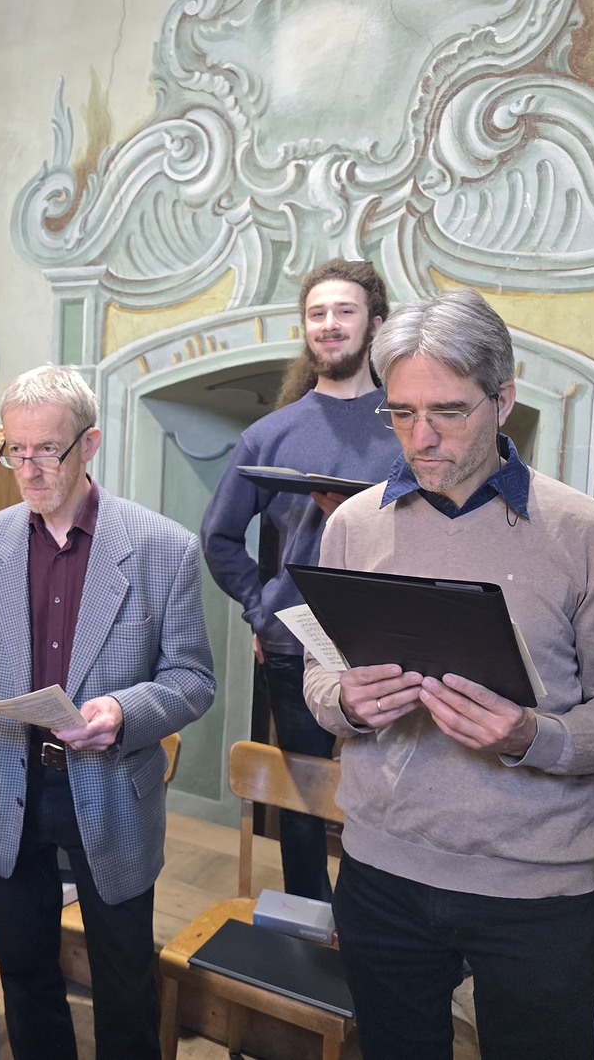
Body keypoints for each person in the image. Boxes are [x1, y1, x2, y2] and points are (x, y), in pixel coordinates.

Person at [303, 289, 594, 1060]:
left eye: (448, 411)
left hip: (533, 886)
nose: (422, 437)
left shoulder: (587, 535)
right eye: (401, 412)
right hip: (381, 868)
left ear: (503, 399)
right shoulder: (353, 525)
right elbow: (320, 676)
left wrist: (533, 735)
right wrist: (348, 701)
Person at [0, 365, 216, 1060]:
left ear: (89, 444)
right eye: (15, 450)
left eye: (47, 451)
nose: (28, 470)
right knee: (24, 974)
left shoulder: (163, 547)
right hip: (8, 786)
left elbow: (193, 679)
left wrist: (121, 710)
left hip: (110, 786)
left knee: (125, 981)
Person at [200, 258, 398, 901]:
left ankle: (374, 922)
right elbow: (219, 537)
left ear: (375, 324)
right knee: (303, 798)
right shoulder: (269, 434)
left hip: (390, 641)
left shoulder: (407, 425)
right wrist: (262, 609)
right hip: (295, 642)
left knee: (390, 791)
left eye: (344, 311)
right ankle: (309, 919)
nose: (329, 324)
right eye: (317, 313)